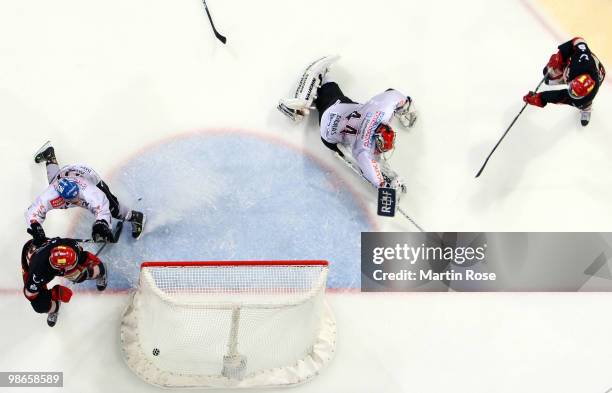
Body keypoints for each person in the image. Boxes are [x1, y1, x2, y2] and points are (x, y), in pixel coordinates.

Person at [278, 56, 418, 191]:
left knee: (326, 83)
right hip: (328, 135)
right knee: (358, 158)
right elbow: (371, 171)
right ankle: (386, 177)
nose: (380, 149)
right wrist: (381, 185)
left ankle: (313, 91)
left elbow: (392, 94)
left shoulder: (380, 111)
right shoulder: (364, 147)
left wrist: (405, 103)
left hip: (336, 107)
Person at [26, 141, 145, 246]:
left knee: (113, 208)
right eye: (73, 199)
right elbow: (33, 212)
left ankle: (135, 216)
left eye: (77, 196)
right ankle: (49, 155)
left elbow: (102, 206)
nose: (78, 200)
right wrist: (35, 226)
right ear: (61, 195)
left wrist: (102, 223)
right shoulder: (50, 194)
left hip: (86, 175)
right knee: (53, 180)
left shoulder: (89, 191)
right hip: (63, 175)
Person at [21, 237, 108, 327]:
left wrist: (93, 266)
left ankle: (101, 270)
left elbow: (82, 256)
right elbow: (29, 295)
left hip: (45, 249)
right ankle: (55, 307)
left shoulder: (70, 245)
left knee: (79, 273)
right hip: (33, 263)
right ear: (59, 268)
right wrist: (55, 294)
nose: (74, 266)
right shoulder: (37, 275)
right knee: (39, 306)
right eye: (70, 266)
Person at [523, 37, 606, 126]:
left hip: (590, 73)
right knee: (548, 73)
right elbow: (579, 40)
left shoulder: (585, 98)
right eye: (572, 89)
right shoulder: (581, 60)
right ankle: (562, 73)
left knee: (584, 104)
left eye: (574, 94)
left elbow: (561, 96)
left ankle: (586, 109)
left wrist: (541, 98)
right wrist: (560, 55)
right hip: (578, 64)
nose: (571, 93)